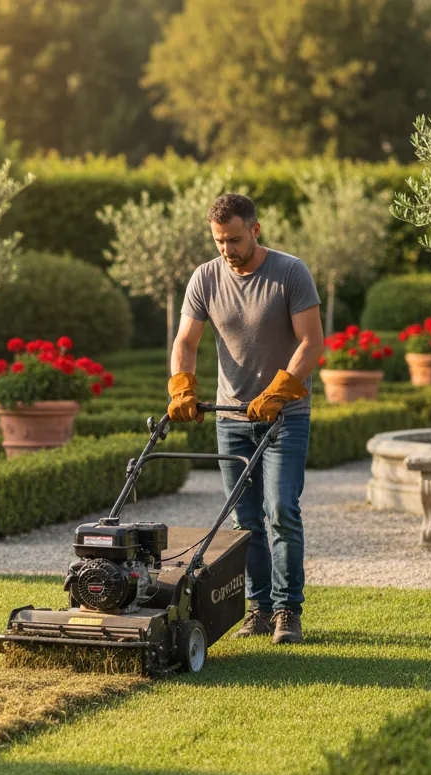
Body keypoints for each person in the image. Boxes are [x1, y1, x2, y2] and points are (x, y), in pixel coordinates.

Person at [167, 193, 324, 645]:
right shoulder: (205, 277)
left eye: (234, 239)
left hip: (285, 417)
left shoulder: (290, 272)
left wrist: (278, 392)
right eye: (219, 241)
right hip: (231, 417)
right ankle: (257, 609)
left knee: (282, 511)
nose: (227, 249)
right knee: (244, 519)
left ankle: (287, 611)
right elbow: (186, 340)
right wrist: (182, 387)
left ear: (255, 230)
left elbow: (311, 343)